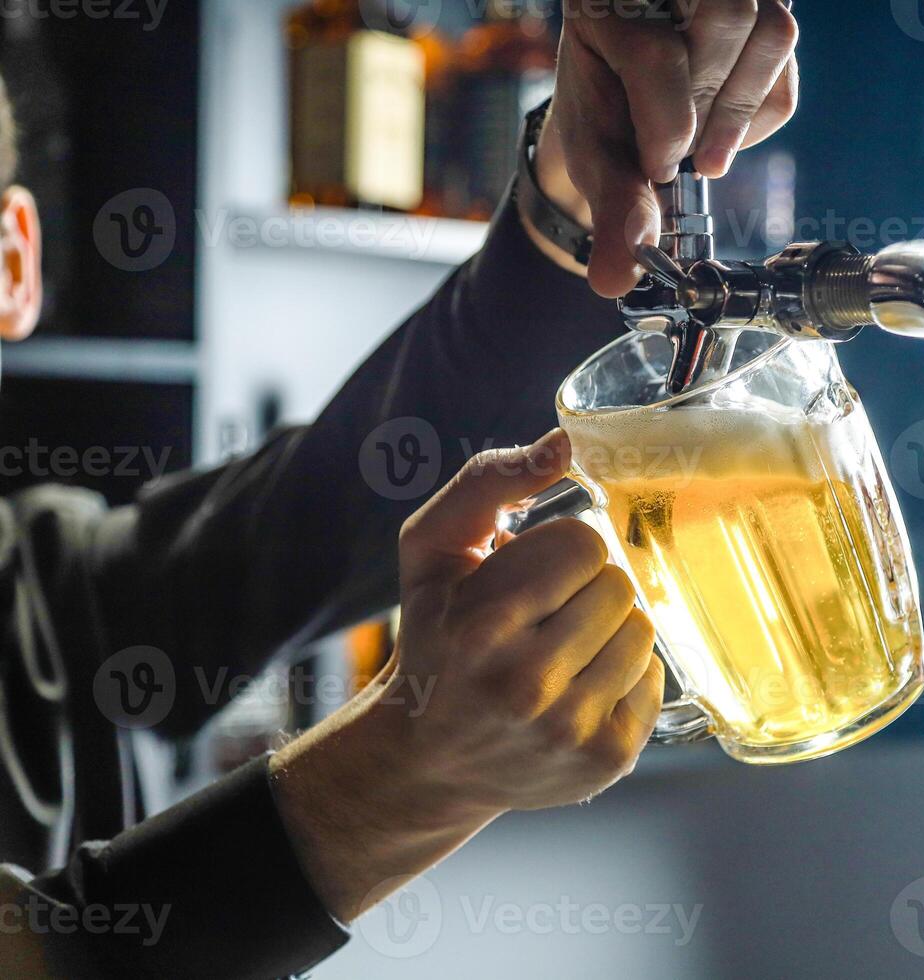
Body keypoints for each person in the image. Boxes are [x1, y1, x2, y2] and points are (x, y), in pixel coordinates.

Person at [0, 1, 799, 976]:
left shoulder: (45, 584)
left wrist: (578, 191)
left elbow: (346, 485)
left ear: (14, 267)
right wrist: (397, 776)